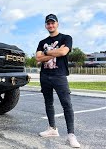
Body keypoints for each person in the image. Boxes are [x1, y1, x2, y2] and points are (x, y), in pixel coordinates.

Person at [36, 14, 80, 148]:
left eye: (53, 23)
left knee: (66, 104)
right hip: (45, 76)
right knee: (48, 103)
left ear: (57, 24)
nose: (51, 25)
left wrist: (47, 53)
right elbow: (38, 58)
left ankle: (71, 135)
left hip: (59, 76)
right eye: (48, 23)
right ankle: (52, 129)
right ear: (45, 25)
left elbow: (63, 53)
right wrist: (55, 51)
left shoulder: (66, 38)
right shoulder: (42, 41)